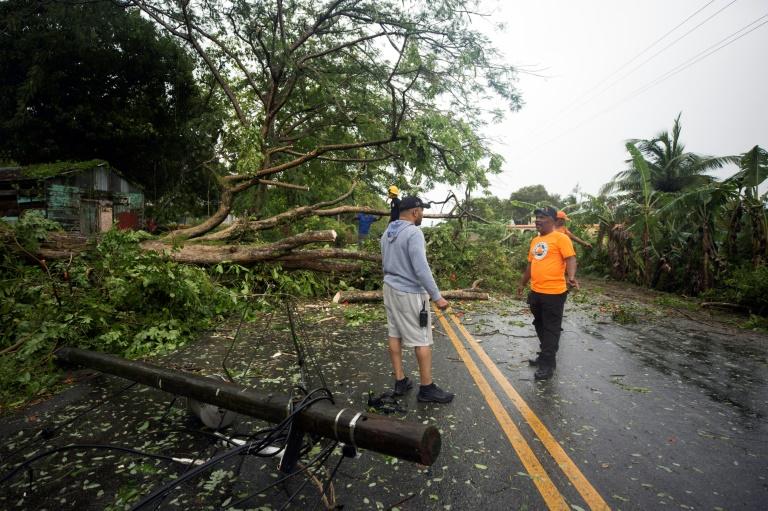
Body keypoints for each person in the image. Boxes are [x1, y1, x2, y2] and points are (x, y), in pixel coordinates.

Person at [381, 196, 454, 403]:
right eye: (421, 210)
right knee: (422, 338)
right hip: (410, 293)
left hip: (389, 289)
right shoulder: (414, 233)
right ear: (415, 212)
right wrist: (437, 297)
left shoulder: (387, 232)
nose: (422, 214)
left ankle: (400, 380)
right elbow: (421, 269)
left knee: (394, 333)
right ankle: (427, 388)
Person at [517, 206, 579, 380]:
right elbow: (530, 265)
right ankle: (546, 354)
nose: (537, 220)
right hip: (536, 291)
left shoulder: (561, 238)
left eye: (542, 217)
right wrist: (522, 283)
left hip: (554, 293)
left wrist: (572, 276)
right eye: (536, 217)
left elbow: (571, 258)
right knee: (539, 324)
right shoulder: (535, 241)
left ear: (552, 220)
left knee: (551, 329)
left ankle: (548, 364)